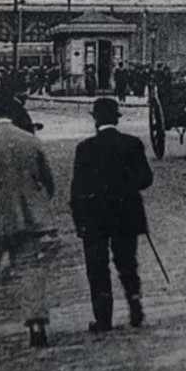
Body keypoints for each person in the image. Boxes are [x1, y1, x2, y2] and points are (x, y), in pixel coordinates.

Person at [0, 94, 57, 347]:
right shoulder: (30, 141)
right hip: (27, 220)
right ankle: (37, 324)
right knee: (31, 270)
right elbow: (48, 182)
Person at [70, 97, 154, 333]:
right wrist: (127, 185)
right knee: (127, 261)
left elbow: (76, 189)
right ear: (116, 118)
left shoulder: (84, 149)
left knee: (97, 266)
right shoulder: (133, 144)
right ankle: (134, 300)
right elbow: (146, 179)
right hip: (126, 214)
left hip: (95, 218)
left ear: (95, 120)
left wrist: (78, 221)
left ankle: (103, 318)